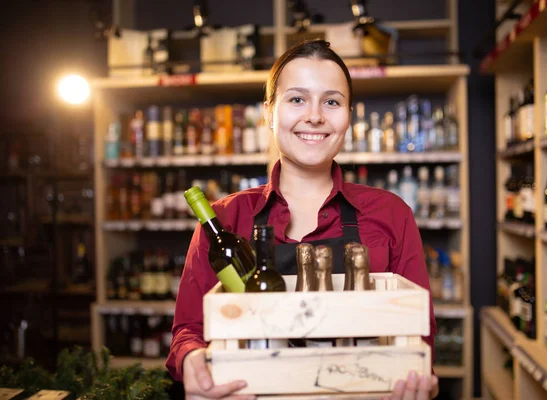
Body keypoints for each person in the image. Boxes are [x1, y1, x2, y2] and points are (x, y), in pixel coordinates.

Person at [166, 39, 439, 400]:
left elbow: (420, 333)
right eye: (297, 99)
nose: (315, 115)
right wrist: (191, 361)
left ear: (349, 115)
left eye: (331, 101)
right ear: (269, 113)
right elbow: (188, 330)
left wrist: (418, 379)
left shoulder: (391, 214)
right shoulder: (224, 219)